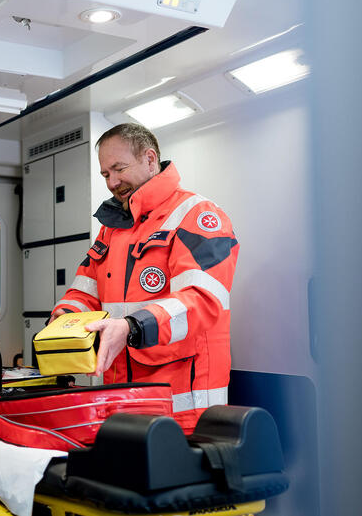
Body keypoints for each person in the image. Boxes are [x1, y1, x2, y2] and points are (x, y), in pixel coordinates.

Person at [49, 123, 239, 433]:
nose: (112, 182)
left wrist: (132, 327)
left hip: (183, 413)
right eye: (105, 175)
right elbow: (85, 290)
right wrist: (64, 319)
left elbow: (202, 299)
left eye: (118, 168)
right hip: (118, 403)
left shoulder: (197, 215)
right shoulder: (112, 228)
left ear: (150, 159)